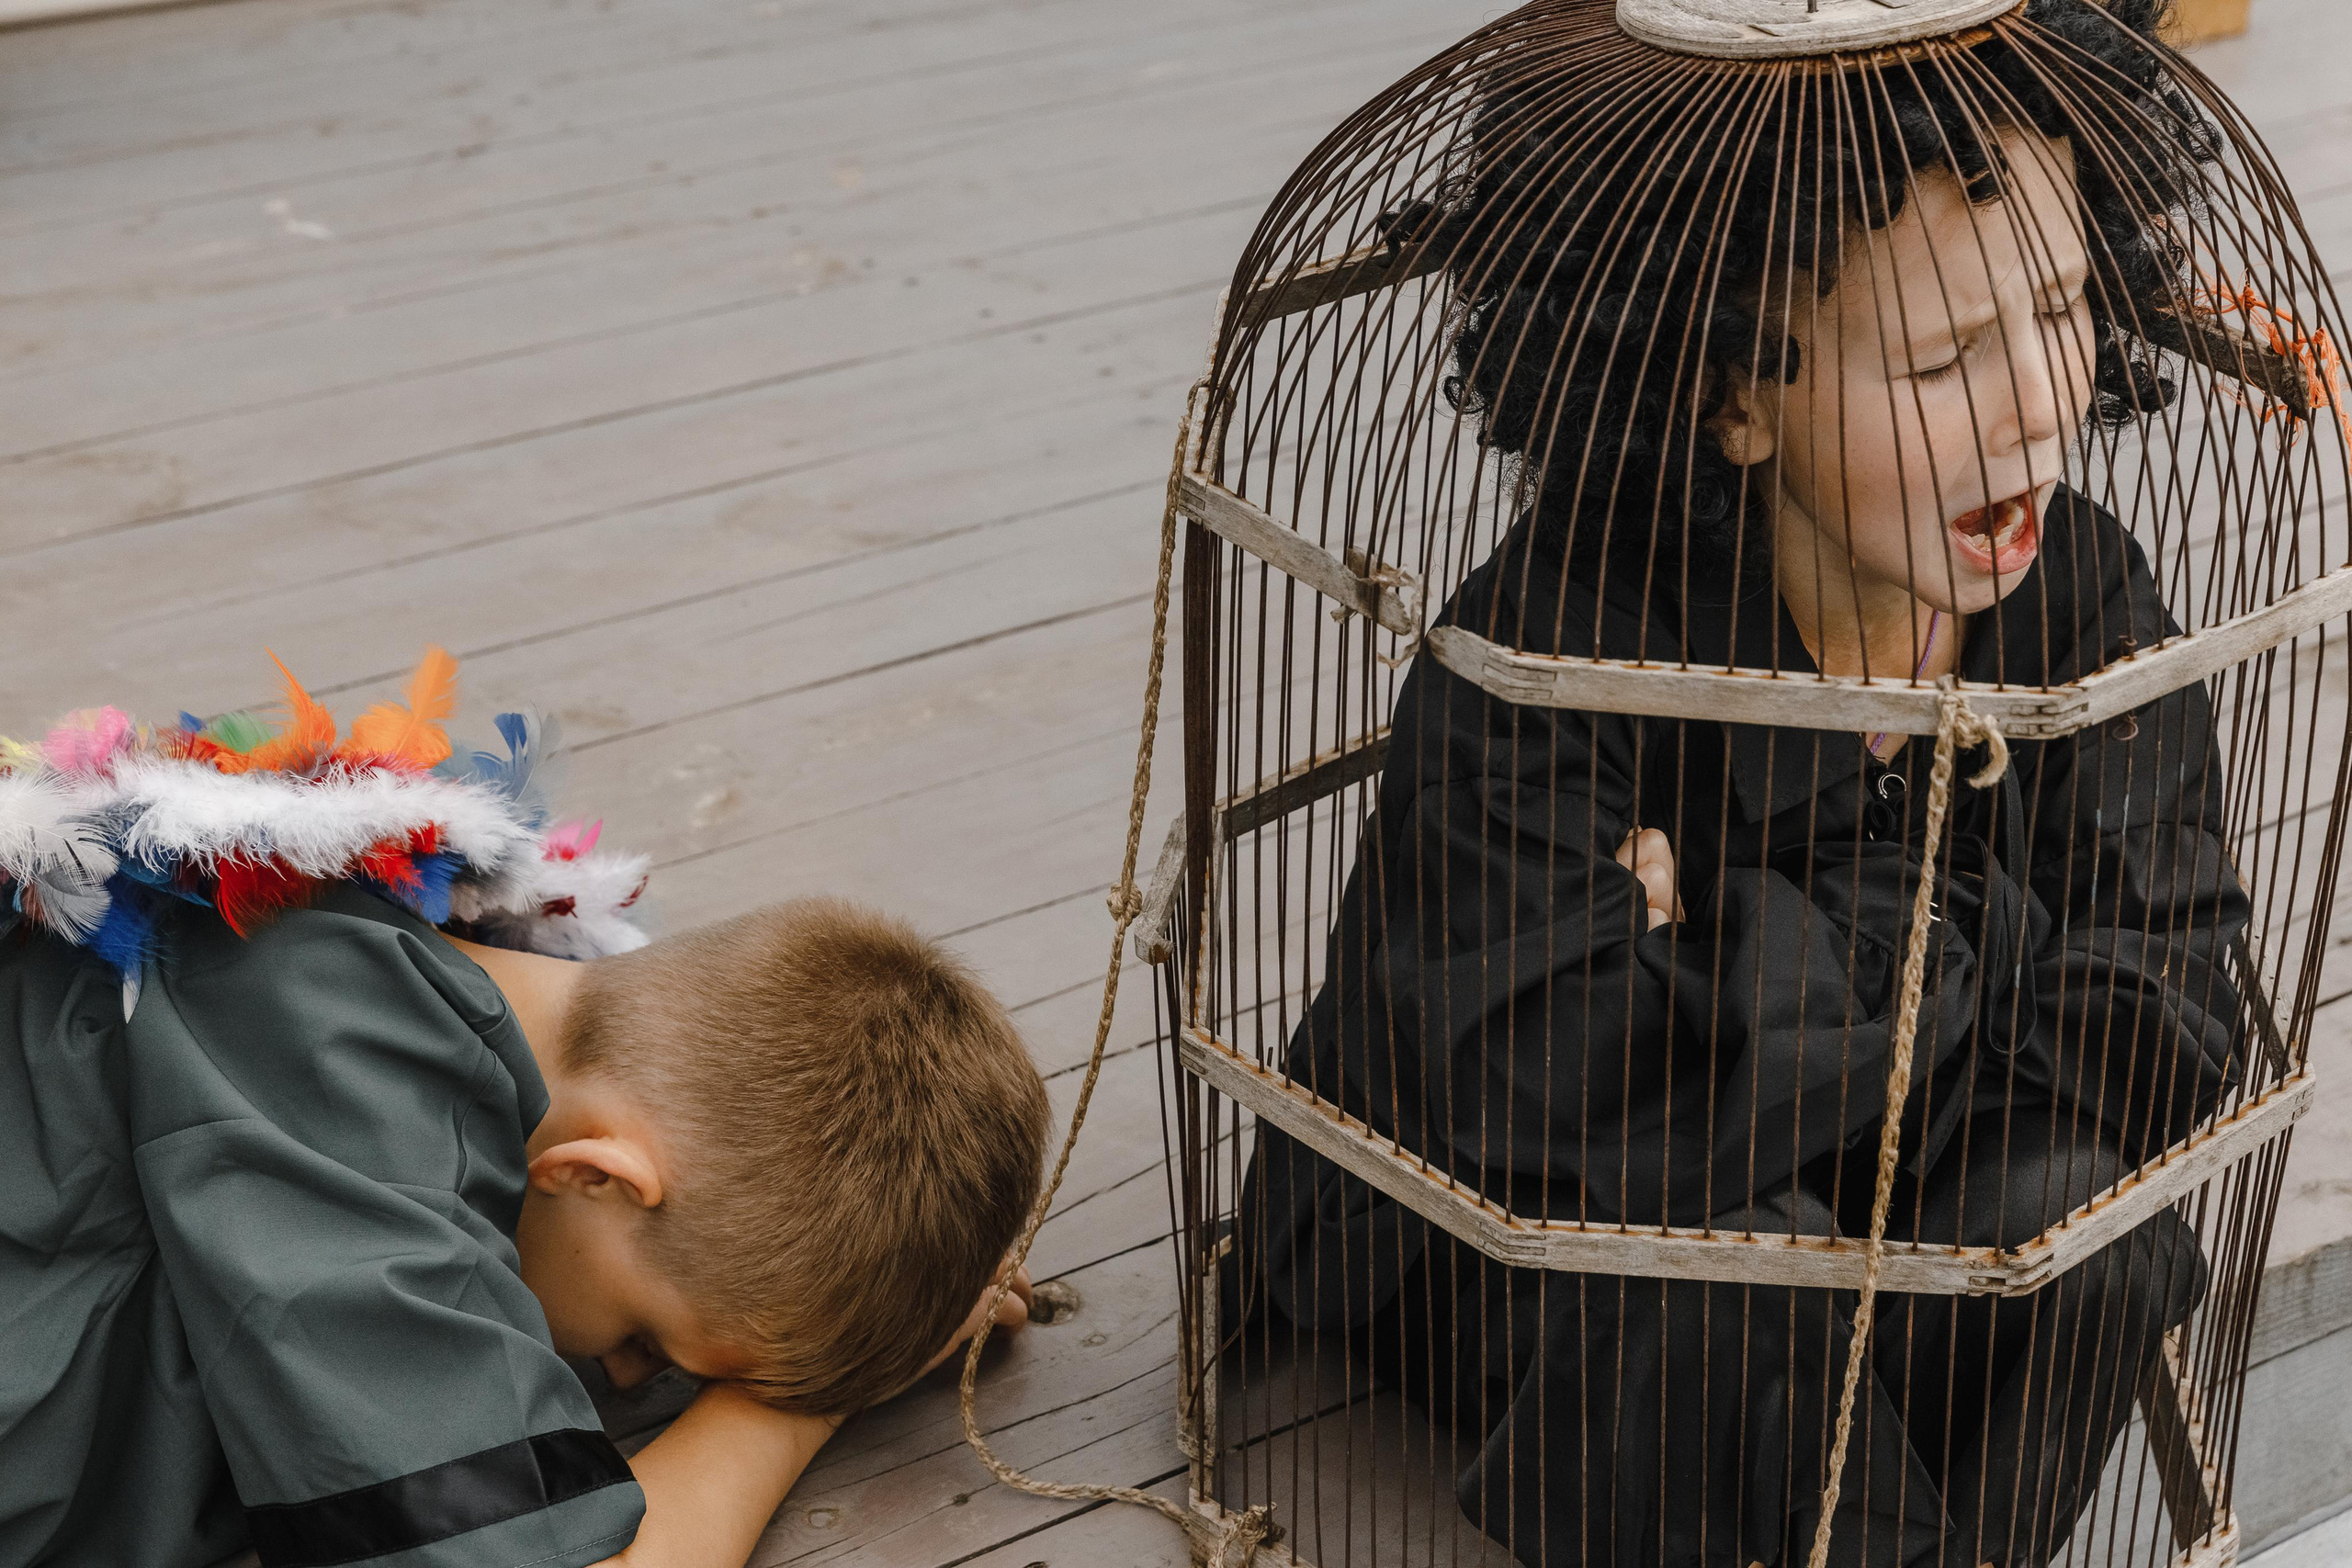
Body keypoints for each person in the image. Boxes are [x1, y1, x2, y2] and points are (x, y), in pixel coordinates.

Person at [1238, 4, 2250, 1565]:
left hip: (1858, 1180)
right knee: (1728, 1270)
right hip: (1499, 1245)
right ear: (1732, 396)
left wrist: (1754, 940)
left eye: (2059, 312)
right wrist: (1989, 937)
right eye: (1942, 359)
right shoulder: (1550, 647)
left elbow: (2175, 1005)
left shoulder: (2077, 595)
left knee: (2087, 1230)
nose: (2036, 405)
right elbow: (1561, 1091)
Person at [0, 658, 1051, 1568]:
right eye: (653, 1342)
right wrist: (792, 1406)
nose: (626, 1380)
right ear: (597, 1174)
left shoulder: (414, 967)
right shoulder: (342, 1068)